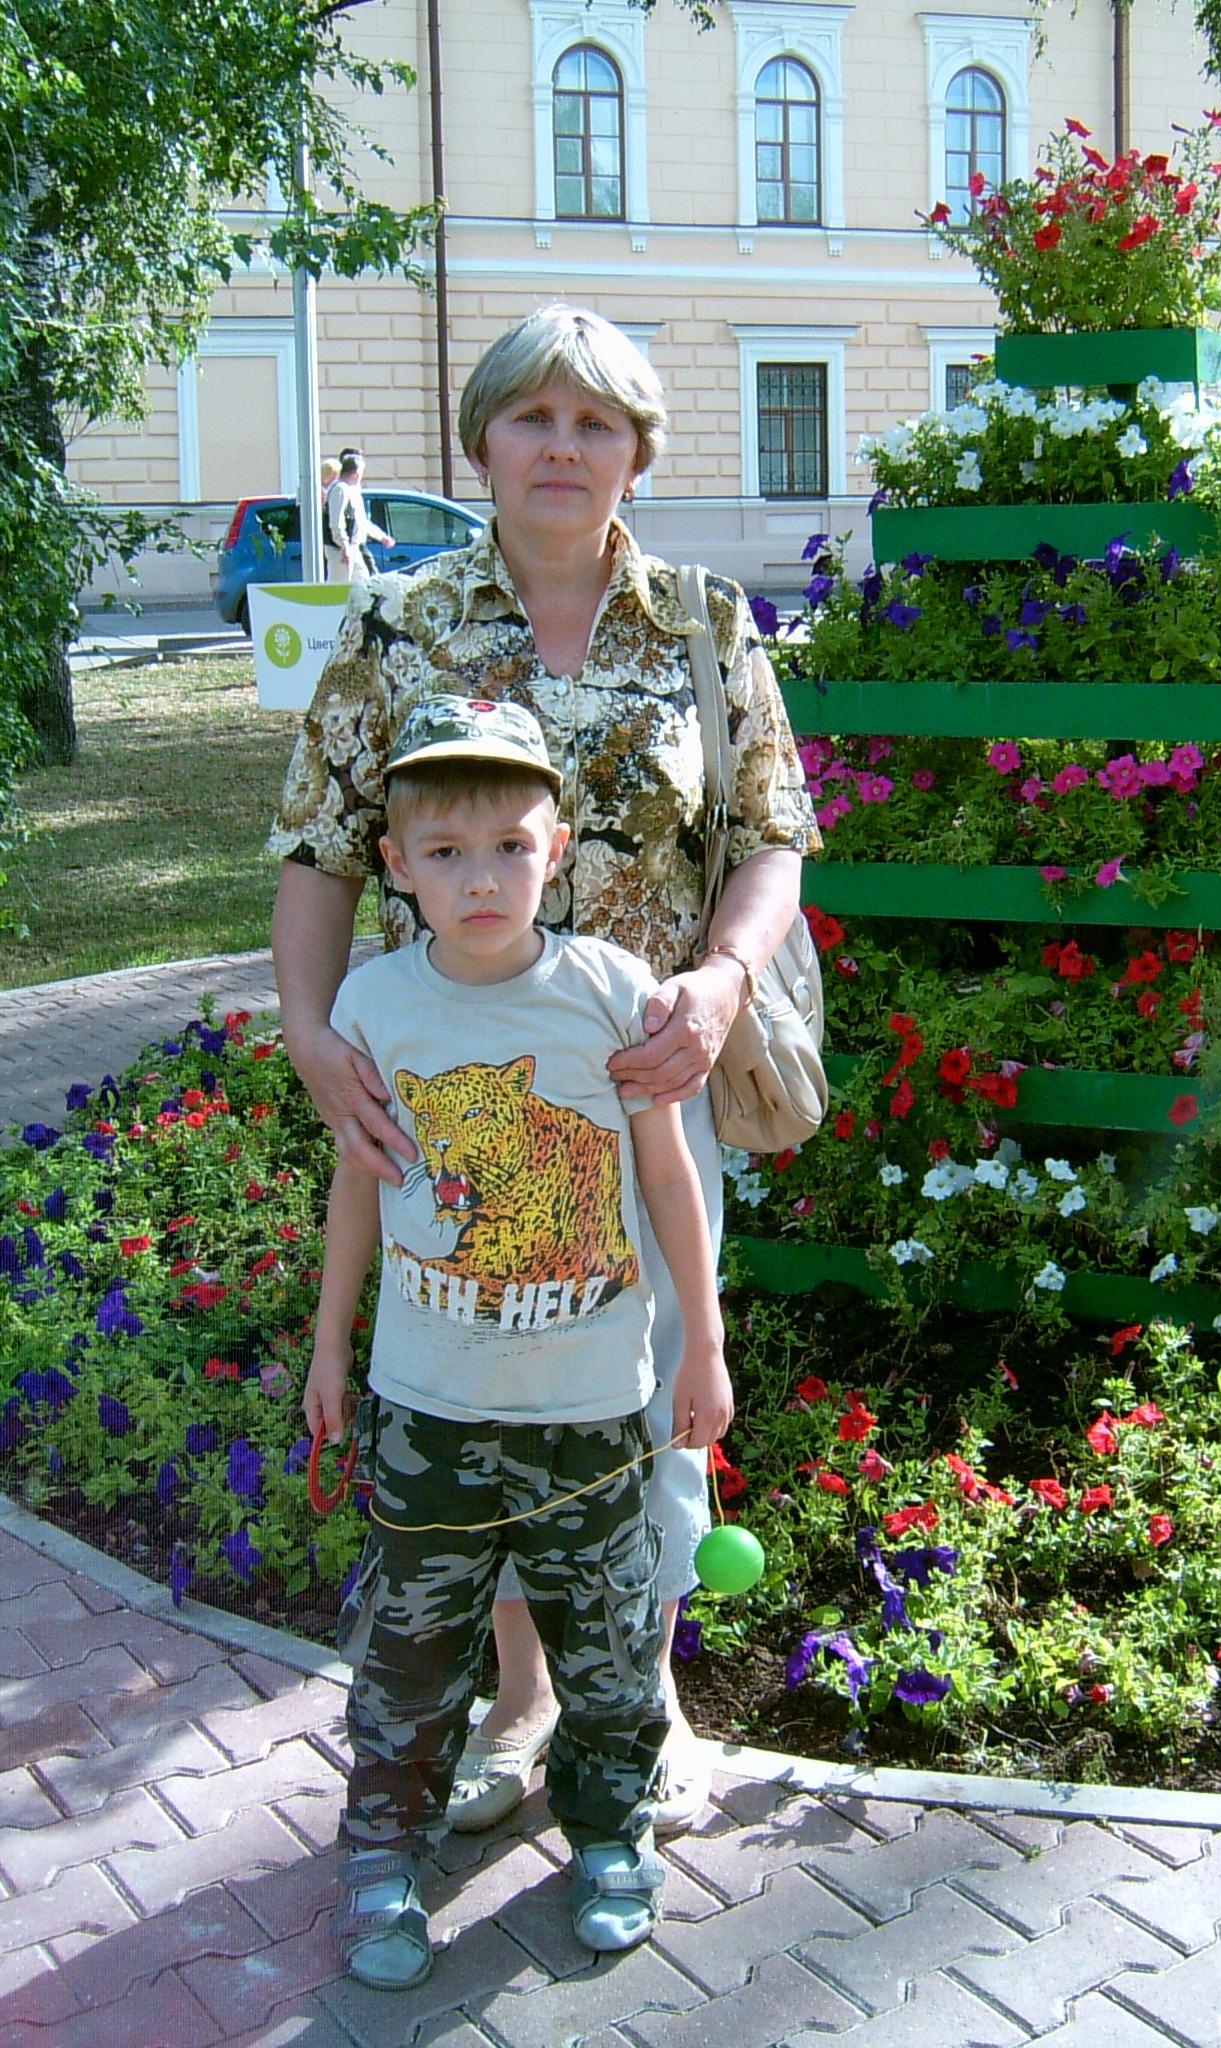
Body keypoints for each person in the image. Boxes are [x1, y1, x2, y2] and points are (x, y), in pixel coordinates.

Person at [269, 303, 817, 1836]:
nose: (564, 447)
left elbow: (773, 837)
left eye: (597, 422)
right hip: (454, 1100)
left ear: (637, 450)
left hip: (646, 1085)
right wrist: (313, 1035)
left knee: (656, 1381)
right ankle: (522, 1701)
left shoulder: (705, 621)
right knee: (494, 1394)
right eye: (534, 418)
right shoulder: (395, 631)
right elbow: (317, 856)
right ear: (483, 444)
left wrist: (722, 979)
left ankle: (642, 1698)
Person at [304, 692, 730, 1985]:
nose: (480, 878)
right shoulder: (374, 1004)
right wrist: (329, 1347)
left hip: (591, 1407)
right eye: (446, 852)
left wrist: (703, 1345)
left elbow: (668, 1182)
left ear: (556, 846)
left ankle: (609, 1838)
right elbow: (360, 1183)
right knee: (411, 1651)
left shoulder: (608, 990)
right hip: (427, 1403)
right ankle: (384, 1852)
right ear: (397, 866)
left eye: (508, 845)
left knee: (608, 1648)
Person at [325, 446, 393, 582]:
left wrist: (381, 536)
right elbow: (336, 522)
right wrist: (344, 546)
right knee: (339, 586)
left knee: (363, 582)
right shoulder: (340, 489)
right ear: (355, 474)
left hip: (353, 548)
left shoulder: (352, 490)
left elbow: (361, 521)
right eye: (361, 472)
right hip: (340, 549)